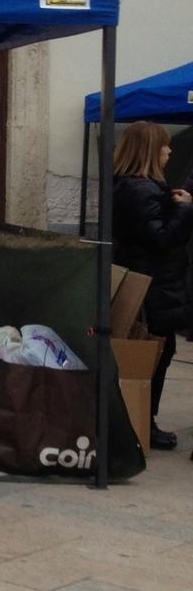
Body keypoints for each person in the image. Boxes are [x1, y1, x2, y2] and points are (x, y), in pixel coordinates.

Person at [111, 121, 193, 451]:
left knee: (156, 351)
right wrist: (185, 211)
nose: (169, 151)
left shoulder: (128, 187)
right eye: (164, 146)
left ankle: (143, 419)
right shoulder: (141, 190)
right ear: (149, 150)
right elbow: (161, 240)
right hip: (153, 285)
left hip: (146, 282)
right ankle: (144, 421)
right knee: (155, 352)